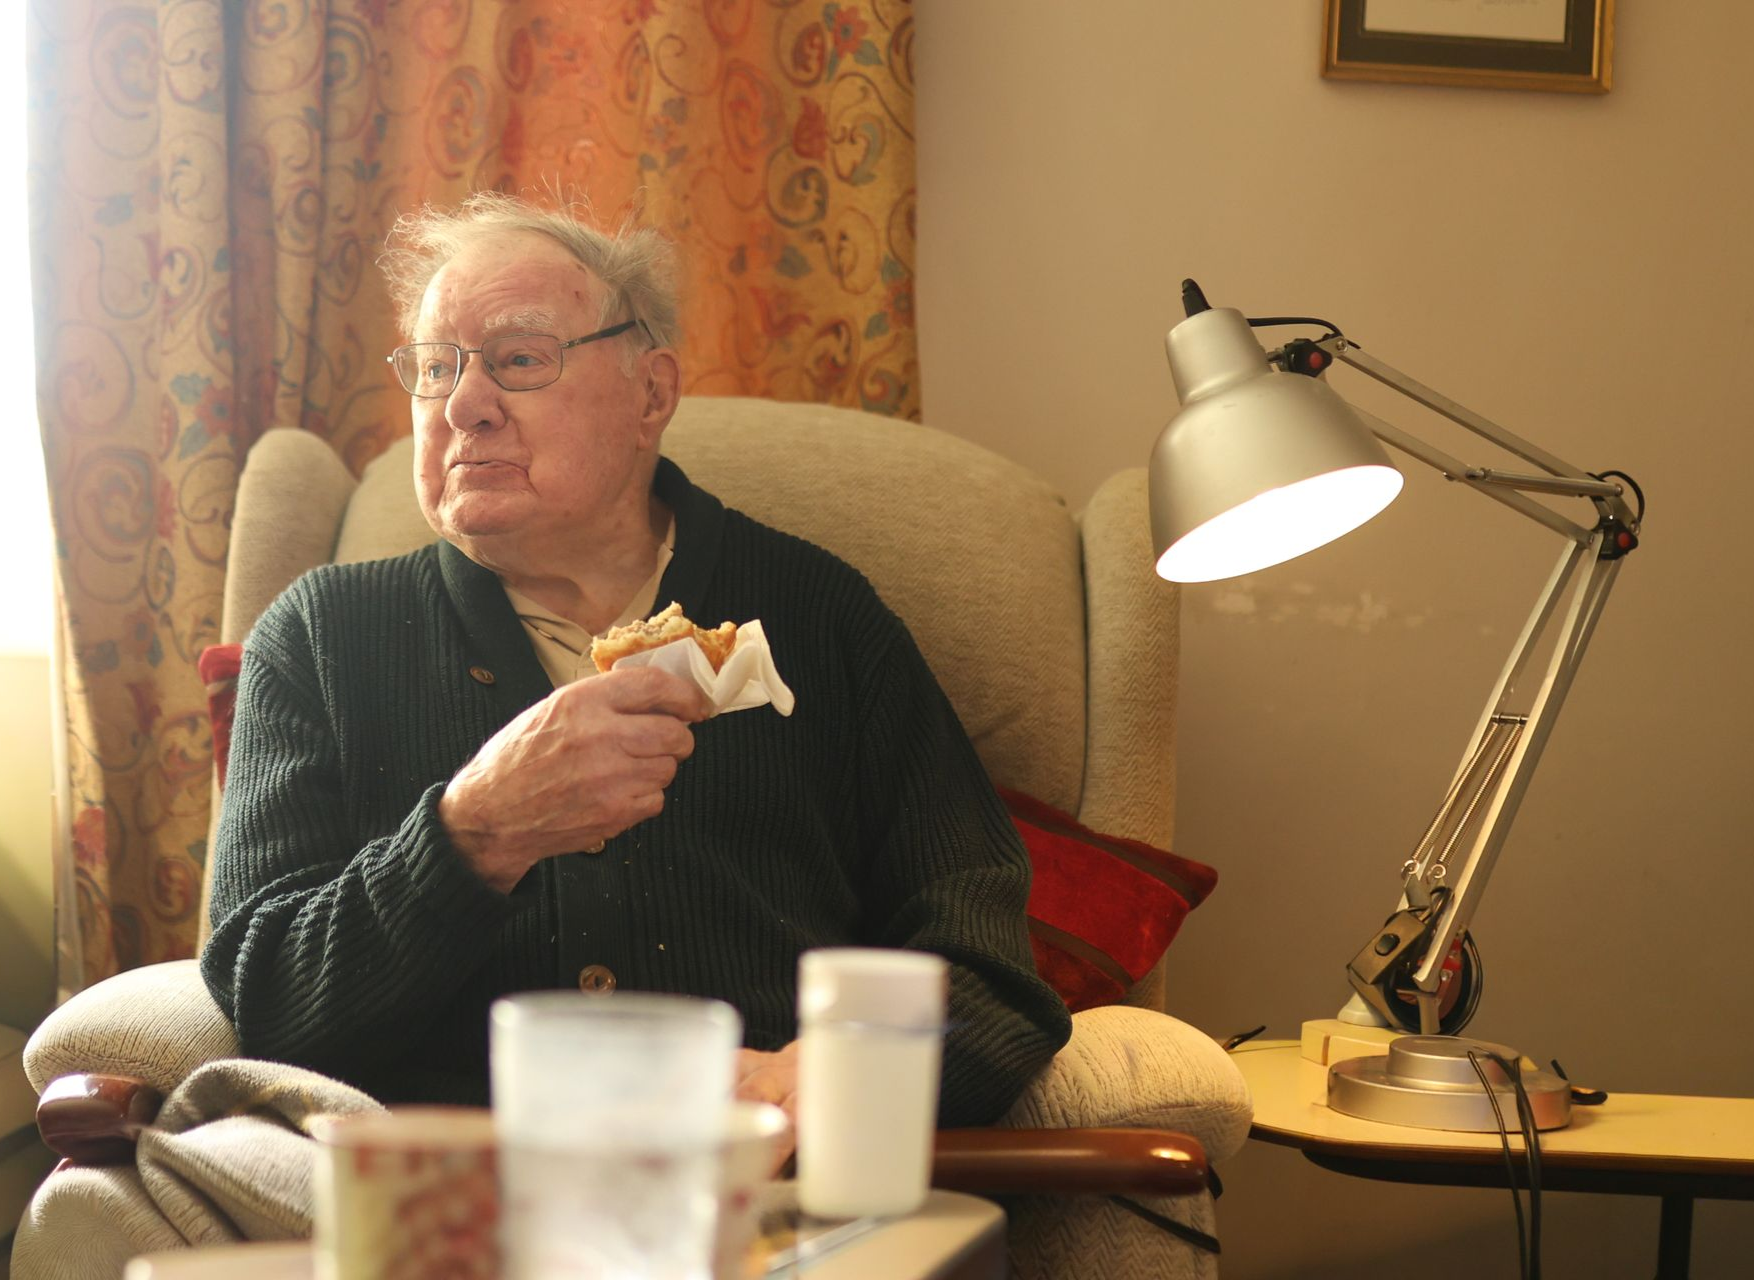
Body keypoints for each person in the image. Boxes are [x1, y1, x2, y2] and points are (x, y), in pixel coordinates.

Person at [199, 191, 1072, 1129]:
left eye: (519, 360)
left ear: (651, 394)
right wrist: (474, 834)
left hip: (763, 1173)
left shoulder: (821, 616)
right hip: (439, 1184)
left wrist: (826, 1077)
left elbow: (986, 968)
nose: (463, 406)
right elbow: (267, 999)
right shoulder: (322, 637)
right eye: (435, 367)